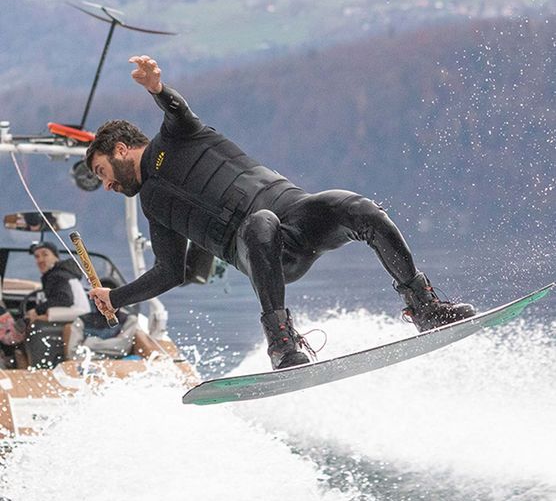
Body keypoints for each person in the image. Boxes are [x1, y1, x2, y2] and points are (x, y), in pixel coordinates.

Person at [87, 55, 475, 370]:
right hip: (260, 252)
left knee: (358, 208)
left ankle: (424, 307)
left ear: (121, 150)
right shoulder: (153, 206)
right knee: (260, 224)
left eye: (102, 172)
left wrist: (157, 88)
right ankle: (281, 343)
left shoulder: (178, 136)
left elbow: (177, 109)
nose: (106, 185)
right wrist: (116, 297)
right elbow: (170, 271)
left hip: (299, 219)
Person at [64, 278, 138, 360]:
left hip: (119, 365)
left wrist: (89, 343)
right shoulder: (82, 321)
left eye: (108, 297)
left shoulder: (129, 320)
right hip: (87, 364)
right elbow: (73, 353)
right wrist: (97, 359)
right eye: (99, 297)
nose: (104, 301)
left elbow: (122, 347)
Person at [26, 241, 90, 323]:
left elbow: (64, 299)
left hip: (78, 317)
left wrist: (37, 310)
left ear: (56, 257)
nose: (40, 260)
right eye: (37, 257)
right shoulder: (60, 273)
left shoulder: (59, 275)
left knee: (34, 320)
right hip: (79, 315)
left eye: (45, 254)